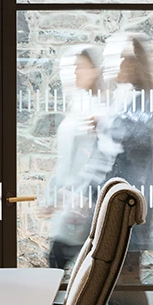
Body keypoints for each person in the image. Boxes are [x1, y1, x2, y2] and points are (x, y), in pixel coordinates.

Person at [94, 33, 153, 305]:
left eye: (122, 59)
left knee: (129, 276)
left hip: (135, 205)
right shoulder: (125, 98)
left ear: (134, 64)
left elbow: (140, 137)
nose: (115, 65)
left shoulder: (144, 100)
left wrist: (104, 122)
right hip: (121, 201)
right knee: (117, 274)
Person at [45, 46, 105, 271]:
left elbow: (98, 158)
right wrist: (53, 197)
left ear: (94, 71)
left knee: (63, 260)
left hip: (85, 201)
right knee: (63, 261)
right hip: (72, 200)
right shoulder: (77, 106)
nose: (75, 72)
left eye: (80, 67)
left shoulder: (98, 111)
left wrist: (85, 194)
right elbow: (65, 160)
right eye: (71, 67)